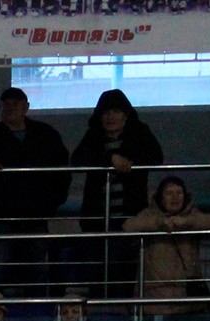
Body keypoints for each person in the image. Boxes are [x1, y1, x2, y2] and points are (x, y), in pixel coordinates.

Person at [0, 88, 72, 294]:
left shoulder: (46, 135)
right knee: (0, 268)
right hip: (2, 215)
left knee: (36, 268)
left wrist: (54, 202)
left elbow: (62, 171)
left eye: (14, 104)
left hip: (35, 214)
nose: (10, 108)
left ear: (26, 107)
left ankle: (31, 311)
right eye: (6, 105)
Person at [69, 90, 164, 294]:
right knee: (96, 276)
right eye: (105, 113)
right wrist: (109, 160)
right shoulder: (93, 135)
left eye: (115, 112)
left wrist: (128, 163)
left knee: (125, 276)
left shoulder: (140, 133)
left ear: (126, 115)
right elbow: (77, 159)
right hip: (96, 221)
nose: (110, 117)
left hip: (129, 219)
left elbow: (156, 157)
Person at [123, 176, 210, 321]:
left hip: (187, 301)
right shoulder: (150, 214)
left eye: (179, 193)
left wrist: (186, 223)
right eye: (169, 193)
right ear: (161, 197)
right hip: (154, 299)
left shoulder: (191, 214)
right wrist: (159, 224)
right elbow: (128, 226)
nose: (175, 197)